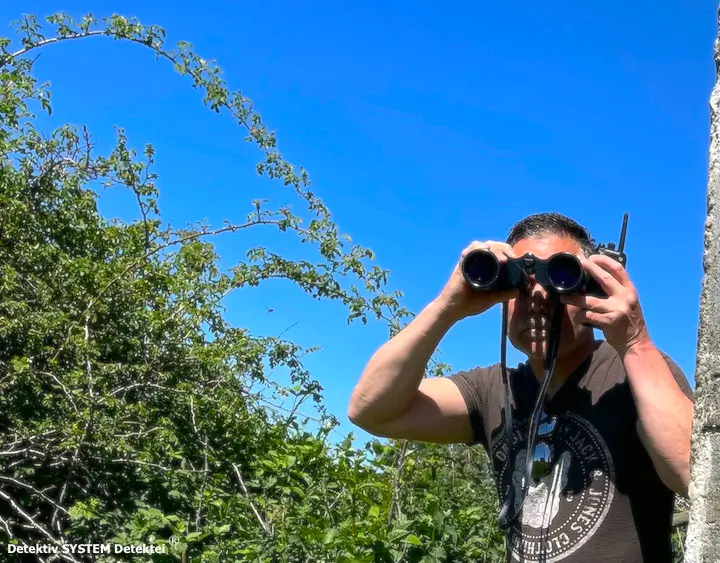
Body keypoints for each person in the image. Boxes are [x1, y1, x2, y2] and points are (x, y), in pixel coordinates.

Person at [347, 213, 694, 563]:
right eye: (521, 282)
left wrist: (635, 343)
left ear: (592, 287)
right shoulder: (494, 390)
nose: (539, 296)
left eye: (561, 276)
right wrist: (447, 307)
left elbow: (695, 476)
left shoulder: (634, 374)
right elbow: (371, 408)